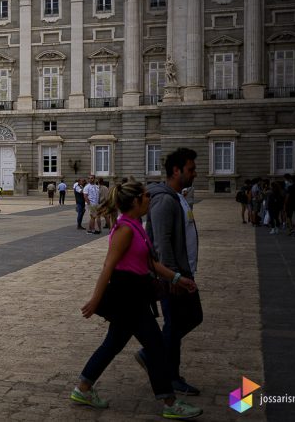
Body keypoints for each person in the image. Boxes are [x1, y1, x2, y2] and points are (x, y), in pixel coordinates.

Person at [71, 179, 202, 420]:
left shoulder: (135, 224)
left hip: (136, 294)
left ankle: (83, 388)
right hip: (128, 296)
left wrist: (176, 279)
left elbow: (149, 262)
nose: (149, 198)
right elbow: (108, 266)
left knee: (114, 343)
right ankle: (169, 402)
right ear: (134, 201)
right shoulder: (125, 229)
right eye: (145, 196)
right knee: (156, 347)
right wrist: (95, 300)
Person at [144, 147, 203, 397]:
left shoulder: (178, 196)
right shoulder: (164, 199)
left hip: (182, 272)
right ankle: (169, 373)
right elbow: (161, 241)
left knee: (188, 319)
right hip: (173, 276)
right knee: (176, 324)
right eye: (191, 169)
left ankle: (154, 356)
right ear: (176, 171)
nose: (195, 174)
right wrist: (172, 276)